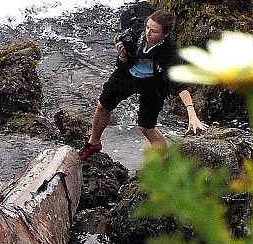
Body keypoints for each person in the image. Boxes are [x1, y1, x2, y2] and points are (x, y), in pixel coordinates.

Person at [79, 8, 207, 161]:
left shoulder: (170, 51)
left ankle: (167, 162)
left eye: (154, 31)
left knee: (147, 127)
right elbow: (123, 61)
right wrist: (122, 55)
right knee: (103, 106)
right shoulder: (136, 30)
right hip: (129, 72)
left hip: (153, 83)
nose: (148, 33)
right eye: (147, 27)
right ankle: (93, 143)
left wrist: (192, 114)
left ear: (165, 34)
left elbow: (180, 84)